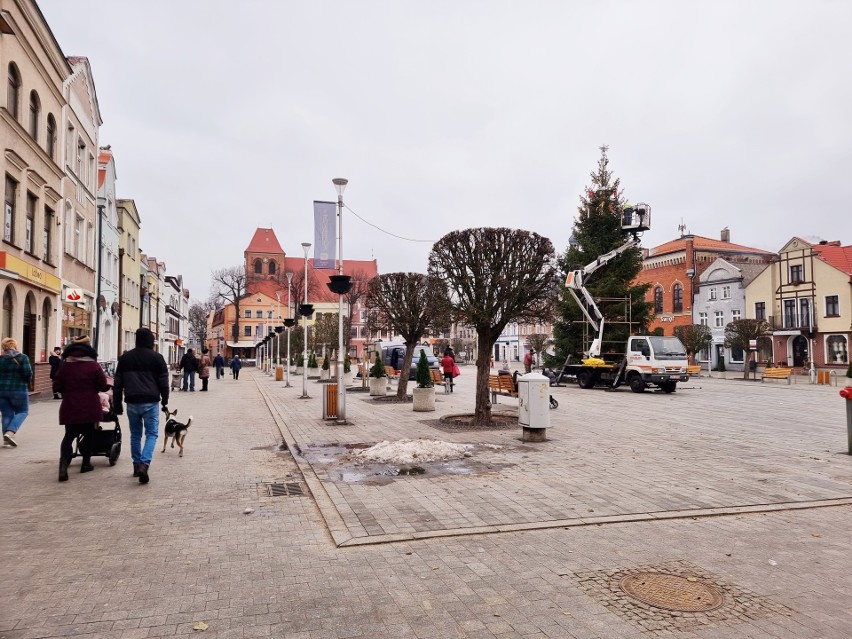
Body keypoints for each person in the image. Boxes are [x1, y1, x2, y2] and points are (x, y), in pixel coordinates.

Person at [113, 327, 170, 485]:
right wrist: (165, 400)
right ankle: (144, 464)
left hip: (132, 401)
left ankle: (136, 465)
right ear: (151, 341)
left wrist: (117, 404)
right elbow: (164, 382)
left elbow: (118, 384)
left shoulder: (125, 358)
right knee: (151, 434)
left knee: (135, 435)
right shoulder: (157, 358)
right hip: (151, 402)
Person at [53, 336, 109, 481]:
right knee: (89, 434)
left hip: (70, 405)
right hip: (89, 405)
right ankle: (85, 464)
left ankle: (63, 468)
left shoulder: (65, 364)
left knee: (69, 435)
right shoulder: (93, 365)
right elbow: (102, 385)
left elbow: (57, 386)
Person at [0, 337, 33, 448]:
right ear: (15, 346)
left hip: (2, 390)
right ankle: (10, 433)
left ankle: (6, 441)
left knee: (6, 414)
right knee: (23, 411)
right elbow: (28, 374)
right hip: (19, 389)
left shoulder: (0, 358)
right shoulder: (22, 357)